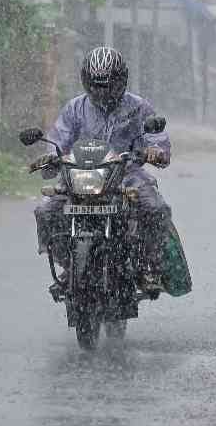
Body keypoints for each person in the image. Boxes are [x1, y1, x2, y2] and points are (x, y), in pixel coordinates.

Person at [32, 46, 172, 294]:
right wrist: (49, 157)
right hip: (81, 175)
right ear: (86, 81)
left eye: (108, 84)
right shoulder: (75, 108)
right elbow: (59, 139)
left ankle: (150, 266)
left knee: (156, 209)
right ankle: (69, 264)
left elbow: (156, 138)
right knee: (46, 210)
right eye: (96, 85)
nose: (102, 91)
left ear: (121, 80)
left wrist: (155, 151)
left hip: (127, 174)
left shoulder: (138, 107)